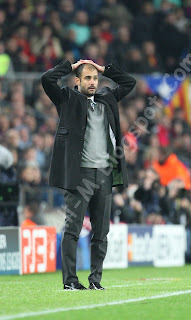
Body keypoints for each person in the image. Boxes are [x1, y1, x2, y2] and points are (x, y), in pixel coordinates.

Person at [41, 59, 136, 290]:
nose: (93, 82)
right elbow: (46, 79)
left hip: (104, 174)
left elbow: (129, 82)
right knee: (73, 229)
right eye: (87, 78)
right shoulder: (66, 98)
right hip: (79, 174)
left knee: (101, 231)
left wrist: (105, 69)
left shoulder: (107, 97)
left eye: (95, 78)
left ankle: (95, 280)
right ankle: (70, 281)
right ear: (77, 81)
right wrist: (71, 66)